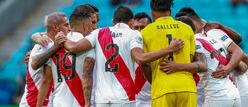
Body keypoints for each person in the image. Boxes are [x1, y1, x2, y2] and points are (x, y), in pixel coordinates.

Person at [56, 6, 184, 107]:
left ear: (113, 21)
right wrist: (169, 49)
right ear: (131, 22)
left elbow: (73, 48)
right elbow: (140, 58)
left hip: (102, 99)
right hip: (124, 97)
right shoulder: (133, 34)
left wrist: (62, 39)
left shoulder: (99, 32)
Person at [140, 0, 207, 107]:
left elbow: (144, 65)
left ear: (152, 14)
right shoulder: (187, 29)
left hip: (162, 89)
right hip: (187, 88)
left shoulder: (145, 32)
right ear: (170, 12)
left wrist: (155, 81)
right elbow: (190, 59)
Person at [179, 7, 248, 107]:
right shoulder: (212, 40)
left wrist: (175, 65)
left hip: (219, 95)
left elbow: (243, 60)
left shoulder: (203, 37)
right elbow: (243, 64)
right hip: (233, 92)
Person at [162, 15, 242, 107]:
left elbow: (202, 65)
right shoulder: (213, 39)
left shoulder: (195, 41)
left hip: (217, 96)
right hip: (234, 94)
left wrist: (176, 66)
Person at [30, 5, 95, 107]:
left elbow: (46, 79)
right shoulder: (89, 44)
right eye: (66, 25)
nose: (94, 27)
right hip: (80, 102)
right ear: (85, 26)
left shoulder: (54, 45)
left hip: (59, 102)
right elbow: (87, 75)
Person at [19, 12, 70, 107]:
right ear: (55, 27)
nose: (69, 28)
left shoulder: (57, 43)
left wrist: (35, 35)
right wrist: (54, 47)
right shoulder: (43, 44)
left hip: (47, 101)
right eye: (66, 25)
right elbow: (34, 64)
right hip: (32, 102)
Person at [132, 12, 153, 107]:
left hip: (155, 101)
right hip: (132, 102)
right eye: (136, 28)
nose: (139, 32)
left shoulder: (159, 49)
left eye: (143, 28)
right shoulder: (125, 49)